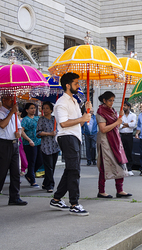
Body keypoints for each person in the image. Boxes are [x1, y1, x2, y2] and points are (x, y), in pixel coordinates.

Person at [50, 72, 91, 216]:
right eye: (76, 83)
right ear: (68, 85)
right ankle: (74, 203)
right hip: (67, 137)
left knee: (70, 169)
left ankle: (56, 198)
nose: (78, 85)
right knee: (74, 171)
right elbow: (63, 123)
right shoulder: (62, 102)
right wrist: (82, 118)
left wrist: (86, 113)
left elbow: (77, 124)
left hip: (74, 136)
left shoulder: (74, 100)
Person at [0, 95, 28, 207]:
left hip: (14, 143)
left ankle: (14, 197)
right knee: (0, 173)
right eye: (11, 99)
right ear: (4, 100)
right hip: (3, 144)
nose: (13, 102)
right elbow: (2, 124)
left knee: (15, 173)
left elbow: (18, 126)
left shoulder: (13, 113)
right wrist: (12, 113)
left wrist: (18, 132)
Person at [96, 91, 131, 199]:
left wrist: (118, 118)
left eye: (113, 100)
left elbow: (116, 126)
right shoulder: (100, 112)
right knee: (104, 166)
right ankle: (101, 191)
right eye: (110, 100)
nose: (112, 102)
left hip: (115, 139)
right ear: (104, 100)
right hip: (105, 141)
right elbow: (103, 129)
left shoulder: (113, 111)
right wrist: (116, 122)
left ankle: (120, 190)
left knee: (119, 162)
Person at [36, 101, 60, 193]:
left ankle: (46, 182)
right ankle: (50, 185)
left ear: (51, 110)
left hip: (55, 145)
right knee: (48, 166)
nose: (45, 110)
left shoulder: (55, 119)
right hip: (46, 146)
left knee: (52, 166)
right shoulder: (41, 119)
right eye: (44, 108)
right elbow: (38, 133)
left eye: (47, 108)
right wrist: (49, 133)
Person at [21, 103, 43, 188]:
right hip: (29, 143)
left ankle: (30, 174)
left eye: (34, 108)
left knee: (40, 161)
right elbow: (21, 131)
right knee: (32, 161)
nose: (33, 110)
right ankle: (33, 180)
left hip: (38, 142)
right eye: (31, 108)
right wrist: (29, 140)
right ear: (27, 110)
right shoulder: (25, 120)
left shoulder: (37, 118)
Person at [119, 101, 137, 176]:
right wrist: (128, 124)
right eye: (123, 106)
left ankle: (129, 169)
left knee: (129, 152)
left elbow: (133, 125)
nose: (124, 107)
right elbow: (118, 126)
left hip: (129, 135)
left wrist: (123, 124)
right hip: (122, 135)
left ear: (129, 107)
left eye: (125, 106)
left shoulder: (133, 115)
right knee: (122, 152)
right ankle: (123, 168)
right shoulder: (120, 115)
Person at [17, 107, 28, 176]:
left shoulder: (22, 120)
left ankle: (22, 168)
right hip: (18, 138)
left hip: (22, 139)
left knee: (22, 154)